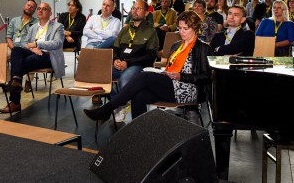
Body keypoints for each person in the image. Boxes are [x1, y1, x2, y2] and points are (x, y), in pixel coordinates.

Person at [84, 11, 212, 122]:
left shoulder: (203, 48)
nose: (182, 32)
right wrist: (165, 72)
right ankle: (140, 134)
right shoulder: (177, 45)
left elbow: (207, 77)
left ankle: (108, 109)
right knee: (139, 96)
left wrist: (181, 76)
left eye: (185, 29)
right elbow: (171, 66)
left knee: (144, 77)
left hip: (189, 89)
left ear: (195, 28)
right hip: (171, 83)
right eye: (180, 28)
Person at [1, 2, 64, 113]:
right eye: (39, 8)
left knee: (18, 65)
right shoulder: (33, 27)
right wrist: (33, 49)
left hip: (48, 55)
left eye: (44, 9)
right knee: (16, 50)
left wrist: (37, 44)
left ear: (50, 13)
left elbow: (57, 43)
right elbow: (25, 42)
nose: (40, 10)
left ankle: (15, 101)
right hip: (34, 52)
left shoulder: (58, 26)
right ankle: (16, 80)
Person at [111, 0, 159, 91]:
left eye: (138, 8)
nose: (134, 11)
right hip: (119, 64)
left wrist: (128, 63)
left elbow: (151, 56)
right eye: (133, 8)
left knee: (124, 83)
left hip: (137, 66)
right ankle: (116, 98)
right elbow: (115, 48)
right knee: (97, 76)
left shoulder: (151, 31)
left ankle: (121, 98)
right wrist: (115, 59)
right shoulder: (125, 30)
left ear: (146, 13)